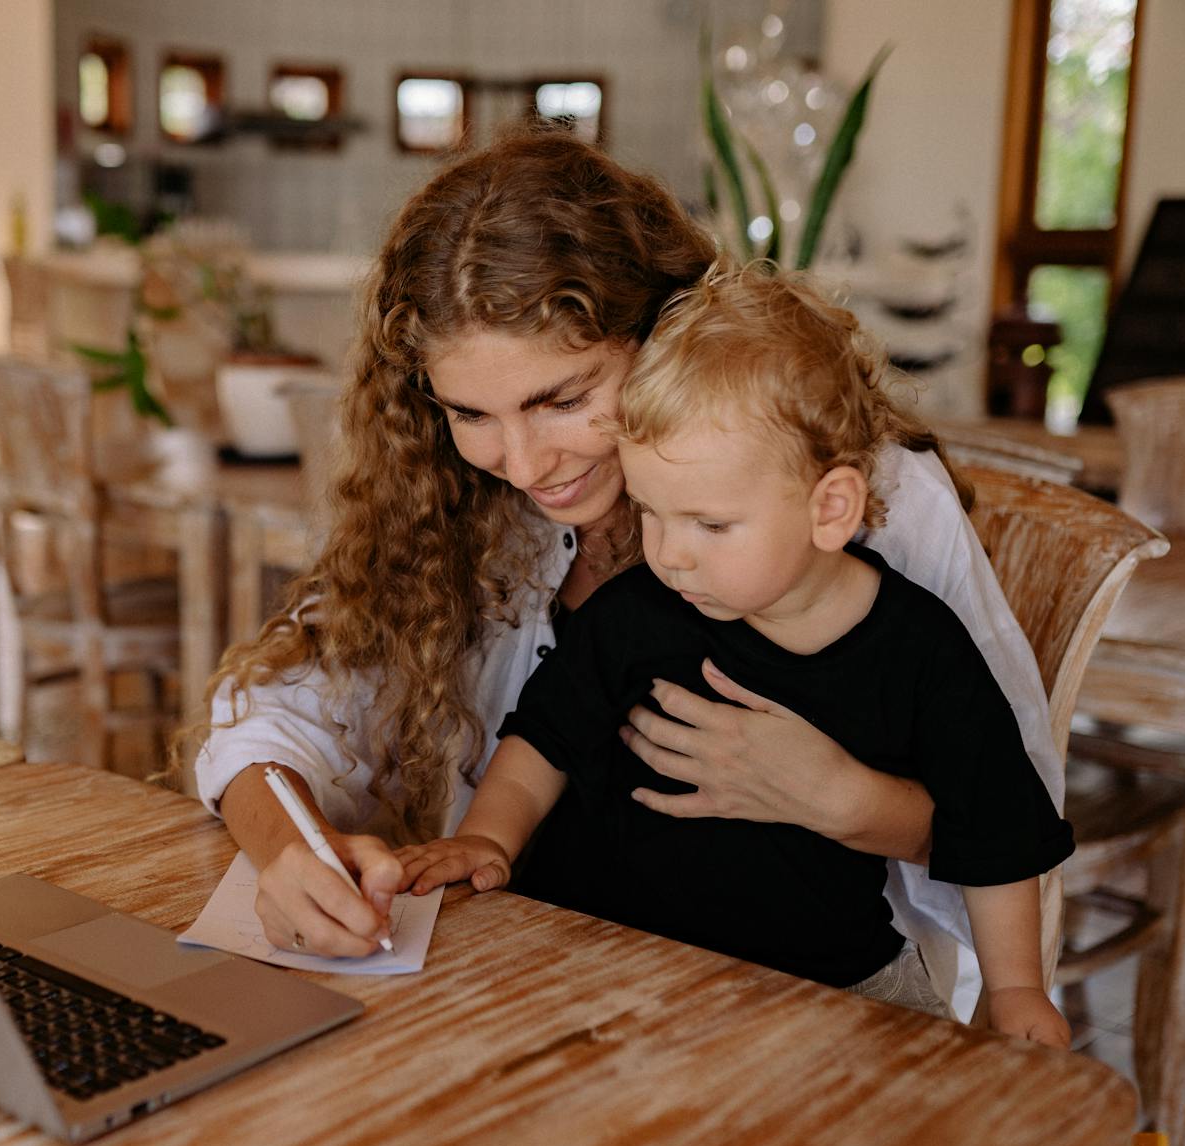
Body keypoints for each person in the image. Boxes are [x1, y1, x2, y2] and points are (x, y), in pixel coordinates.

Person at [192, 129, 1061, 1019]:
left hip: (808, 998)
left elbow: (1010, 811)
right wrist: (291, 852)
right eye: (471, 413)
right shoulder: (452, 495)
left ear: (666, 333)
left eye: (564, 399)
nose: (526, 464)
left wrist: (845, 799)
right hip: (555, 979)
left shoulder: (866, 498)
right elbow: (271, 716)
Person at [392, 264, 1073, 1042]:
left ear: (831, 508)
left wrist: (1018, 987)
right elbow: (541, 740)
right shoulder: (636, 613)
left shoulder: (923, 652)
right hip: (611, 958)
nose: (671, 555)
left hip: (826, 975)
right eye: (651, 512)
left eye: (710, 526)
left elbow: (998, 829)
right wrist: (486, 839)